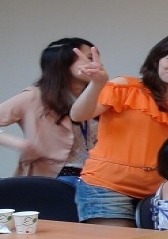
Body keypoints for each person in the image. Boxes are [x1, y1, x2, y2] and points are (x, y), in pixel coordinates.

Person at [71, 33, 168, 227]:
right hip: (107, 186)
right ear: (157, 58)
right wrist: (97, 84)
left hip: (160, 192)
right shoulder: (126, 86)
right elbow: (78, 115)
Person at [0, 38, 99, 185]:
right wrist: (18, 143)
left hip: (94, 176)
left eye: (97, 59)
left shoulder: (98, 98)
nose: (96, 64)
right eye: (89, 58)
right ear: (63, 62)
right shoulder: (34, 96)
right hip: (52, 177)